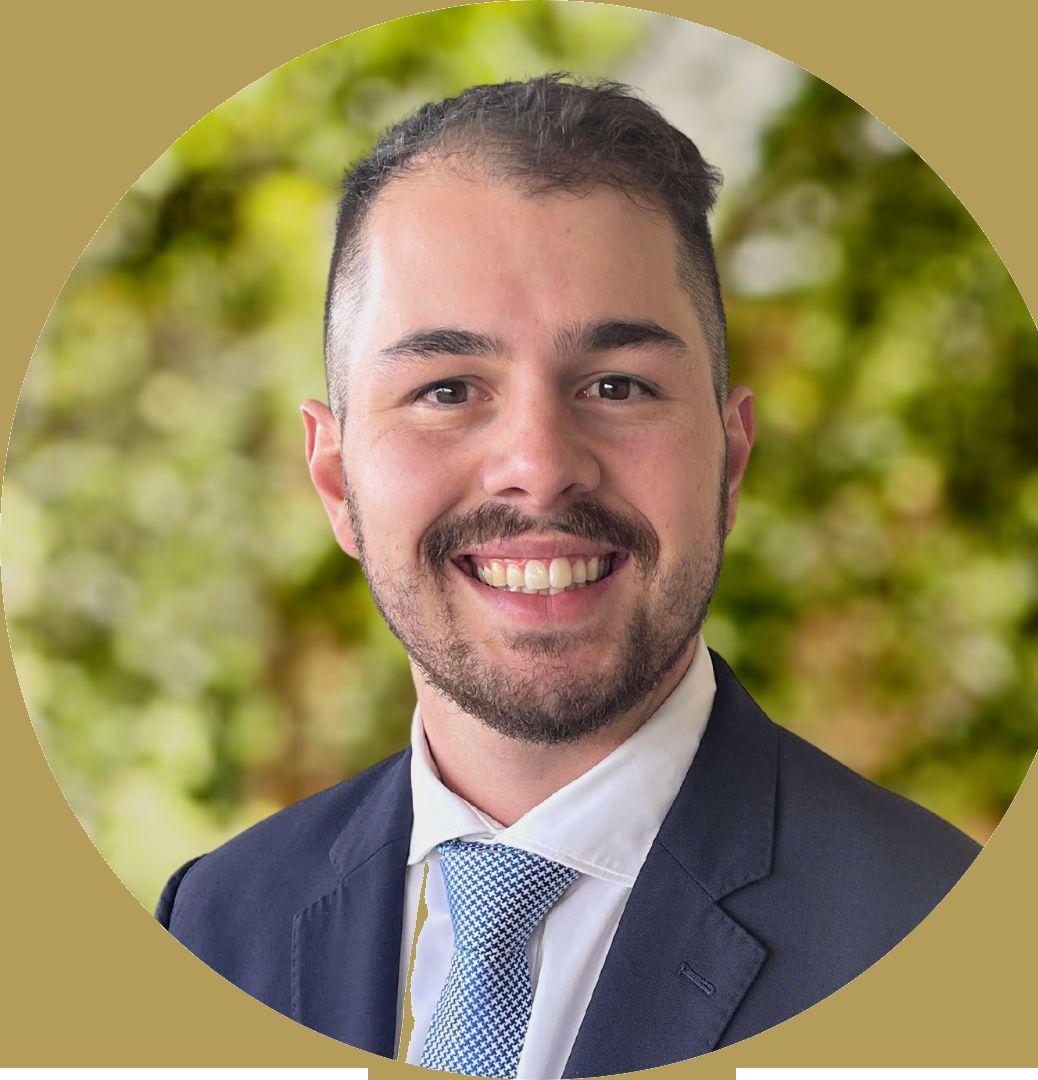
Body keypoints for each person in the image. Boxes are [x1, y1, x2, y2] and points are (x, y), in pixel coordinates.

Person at [157, 74, 980, 1078]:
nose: (540, 466)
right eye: (447, 390)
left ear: (729, 459)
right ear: (335, 480)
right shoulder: (214, 925)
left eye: (617, 386)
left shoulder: (943, 940)